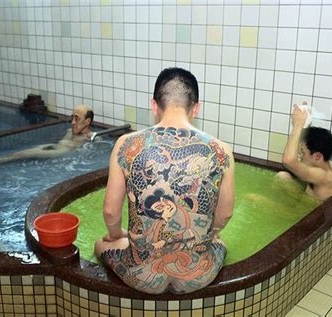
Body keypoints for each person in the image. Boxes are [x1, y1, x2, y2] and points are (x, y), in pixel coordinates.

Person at [94, 67, 235, 294]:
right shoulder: (221, 151)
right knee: (221, 243)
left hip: (141, 276)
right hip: (198, 275)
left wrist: (114, 235)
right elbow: (225, 214)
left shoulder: (127, 145)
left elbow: (110, 211)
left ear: (154, 105)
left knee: (102, 245)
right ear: (196, 108)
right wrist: (213, 232)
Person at [0, 105, 94, 171]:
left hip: (61, 153)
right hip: (54, 147)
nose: (73, 122)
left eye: (77, 119)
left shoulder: (91, 138)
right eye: (72, 118)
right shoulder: (70, 131)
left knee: (22, 154)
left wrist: (86, 143)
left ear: (87, 122)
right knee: (18, 153)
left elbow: (88, 157)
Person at [279, 103, 332, 201]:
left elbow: (288, 161)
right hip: (307, 201)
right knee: (283, 176)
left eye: (303, 153)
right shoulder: (326, 164)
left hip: (310, 212)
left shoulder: (323, 176)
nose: (300, 157)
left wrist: (298, 123)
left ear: (317, 156)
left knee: (252, 198)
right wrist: (305, 116)